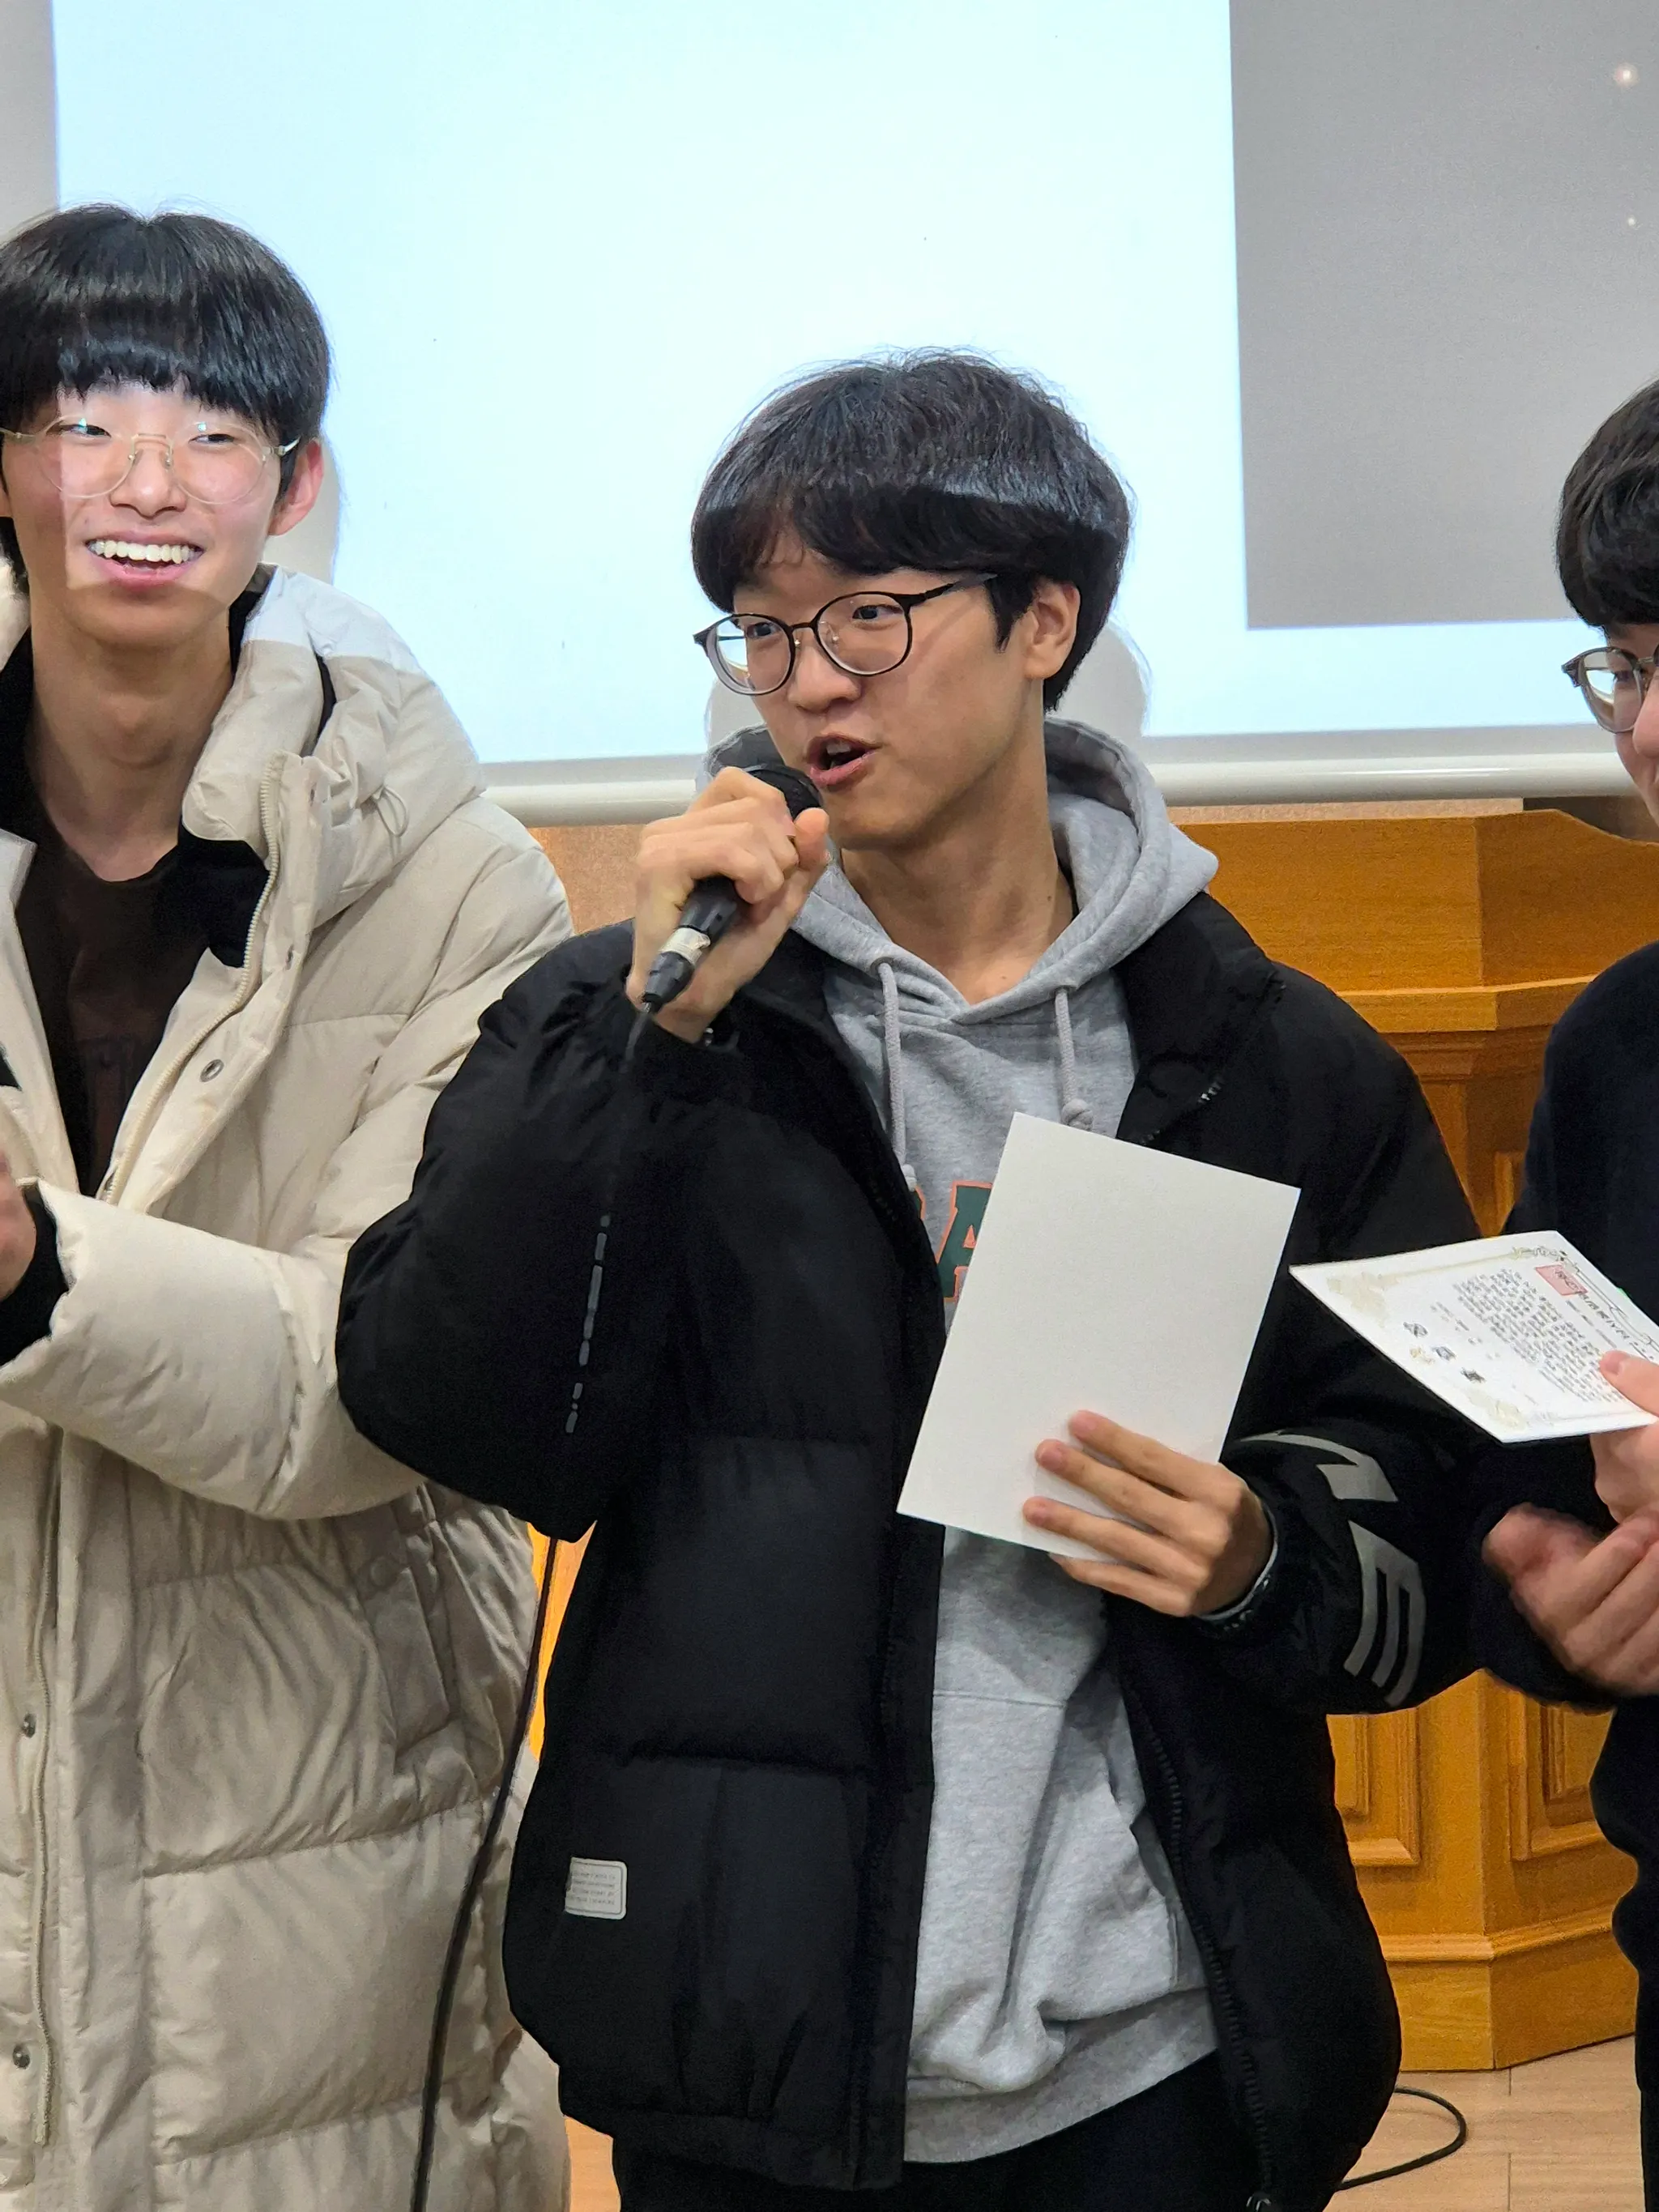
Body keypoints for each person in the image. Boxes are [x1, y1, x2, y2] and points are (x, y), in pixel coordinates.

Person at [337, 352, 1479, 2212]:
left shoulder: (1264, 1055)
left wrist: (1263, 1557)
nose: (805, 682)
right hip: (749, 2035)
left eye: (867, 615)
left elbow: (1429, 1482)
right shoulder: (635, 1010)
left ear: (1046, 623)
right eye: (762, 630)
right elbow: (449, 1405)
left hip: (1157, 2044)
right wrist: (642, 1048)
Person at [0, 204, 571, 2211]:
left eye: (217, 430)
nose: (149, 481)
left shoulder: (459, 880)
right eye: (85, 421)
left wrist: (34, 1272)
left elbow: (382, 1384)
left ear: (296, 487)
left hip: (314, 1811)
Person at [1478, 375, 1659, 2209]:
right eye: (1625, 666)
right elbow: (1535, 1461)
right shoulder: (1618, 1045)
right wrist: (1557, 1602)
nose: (1650, 729)